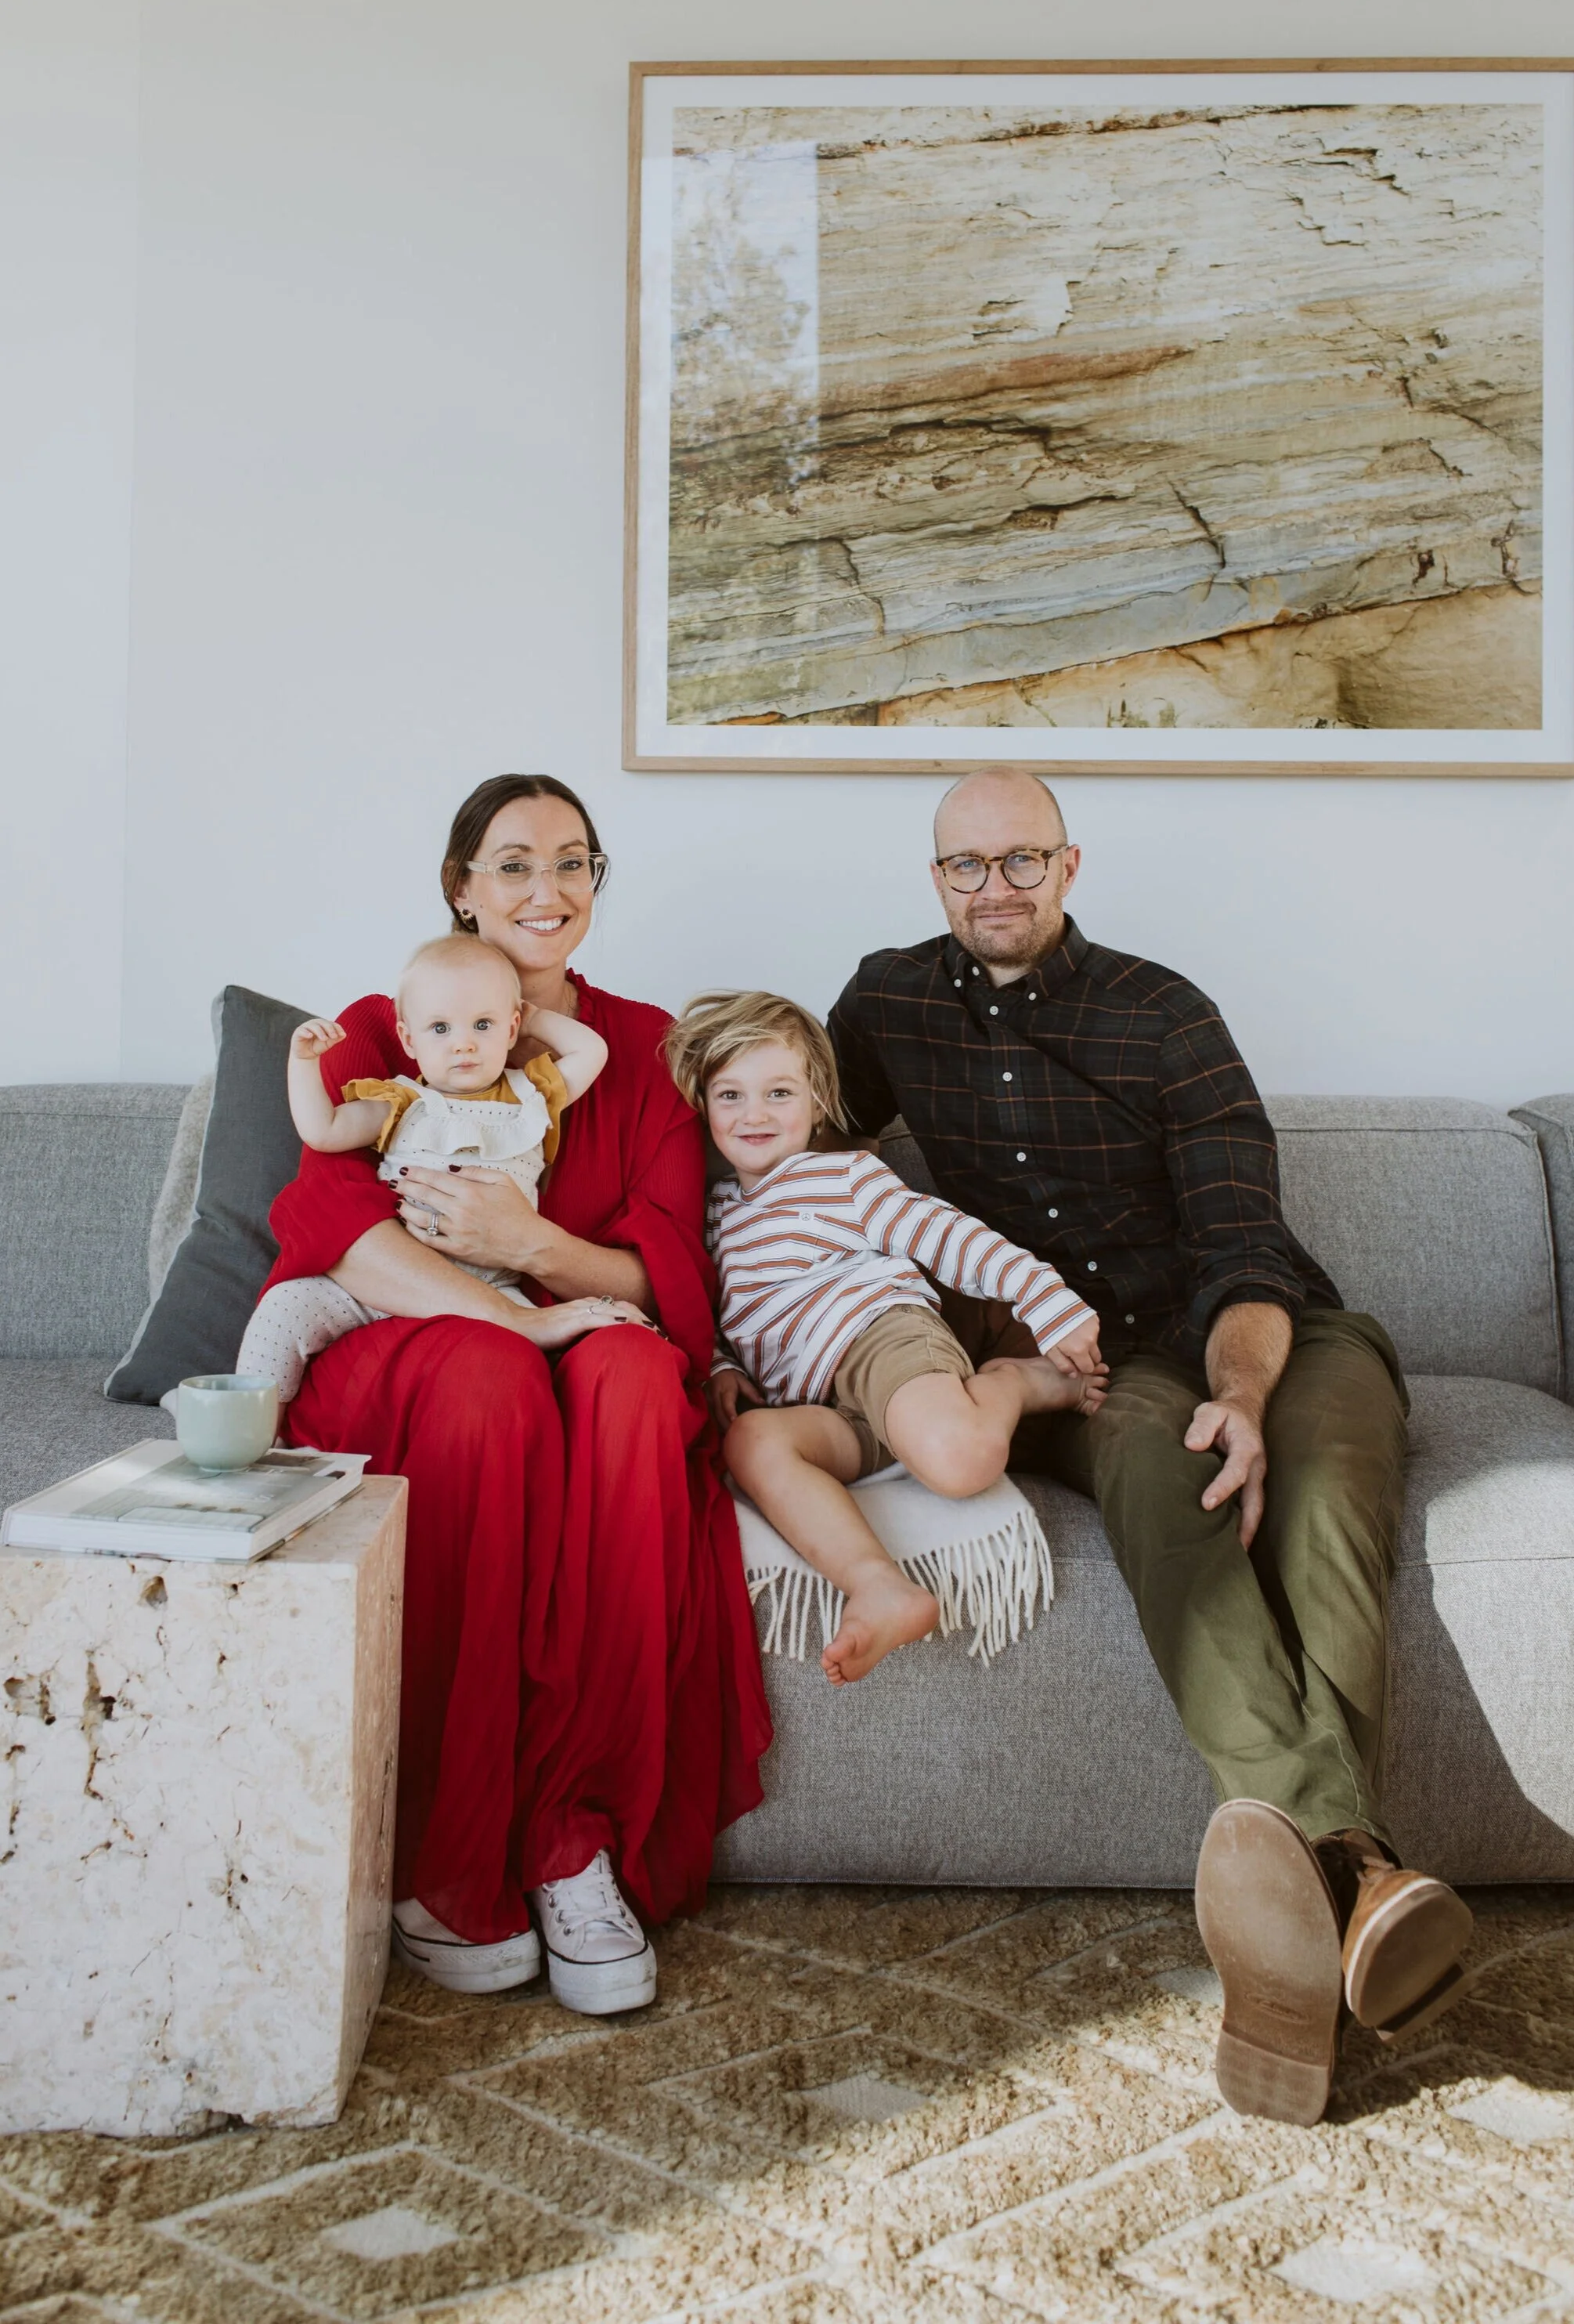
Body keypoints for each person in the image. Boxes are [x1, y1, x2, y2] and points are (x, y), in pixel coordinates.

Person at [827, 762, 1473, 2126]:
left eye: (1022, 859)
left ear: (1070, 867)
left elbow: (1243, 1238)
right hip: (1087, 1363)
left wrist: (1243, 1396)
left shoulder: (1164, 1012)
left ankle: (1310, 1909)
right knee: (1157, 1478)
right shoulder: (884, 1003)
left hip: (1270, 1331)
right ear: (933, 880)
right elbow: (778, 1133)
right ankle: (1356, 1875)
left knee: (1317, 1498)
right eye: (965, 865)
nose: (994, 887)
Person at [261, 772, 771, 2015]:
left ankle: (568, 1840)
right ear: (462, 885)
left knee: (637, 1385)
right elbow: (331, 1223)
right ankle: (448, 1856)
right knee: (492, 1382)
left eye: (573, 861)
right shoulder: (389, 1023)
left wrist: (533, 1248)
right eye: (514, 862)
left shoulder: (642, 1047)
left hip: (579, 1325)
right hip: (412, 1343)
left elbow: (665, 1273)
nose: (548, 889)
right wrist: (511, 1312)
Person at [664, 991, 1106, 1684]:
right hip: (819, 1404)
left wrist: (1044, 1298)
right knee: (751, 1442)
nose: (754, 1114)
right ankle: (878, 1586)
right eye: (731, 1095)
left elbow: (947, 1236)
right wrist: (722, 1365)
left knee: (961, 1464)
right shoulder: (714, 1214)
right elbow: (710, 1310)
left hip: (881, 1342)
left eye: (779, 1092)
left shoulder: (845, 1177)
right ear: (704, 1107)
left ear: (817, 1103)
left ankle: (1014, 1381)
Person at [241, 932, 617, 1403]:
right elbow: (324, 1131)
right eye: (440, 1028)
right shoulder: (401, 1101)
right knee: (283, 1308)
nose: (464, 1044)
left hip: (491, 1294)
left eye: (483, 1024)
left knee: (529, 1366)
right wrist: (303, 1063)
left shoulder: (532, 1096)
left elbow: (592, 1052)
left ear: (511, 1028)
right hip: (386, 1281)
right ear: (409, 1039)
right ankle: (255, 1434)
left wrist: (535, 1017)